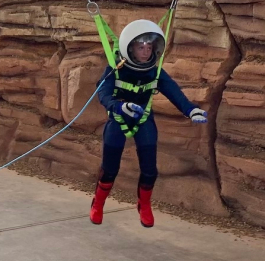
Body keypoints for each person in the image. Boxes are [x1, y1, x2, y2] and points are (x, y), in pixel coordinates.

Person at [89, 19, 208, 228]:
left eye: (149, 47)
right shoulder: (115, 68)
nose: (145, 52)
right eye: (140, 47)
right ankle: (97, 204)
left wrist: (191, 110)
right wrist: (119, 107)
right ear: (130, 48)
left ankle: (144, 205)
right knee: (109, 169)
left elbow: (174, 93)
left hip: (144, 120)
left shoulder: (155, 71)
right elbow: (104, 94)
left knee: (150, 171)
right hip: (118, 120)